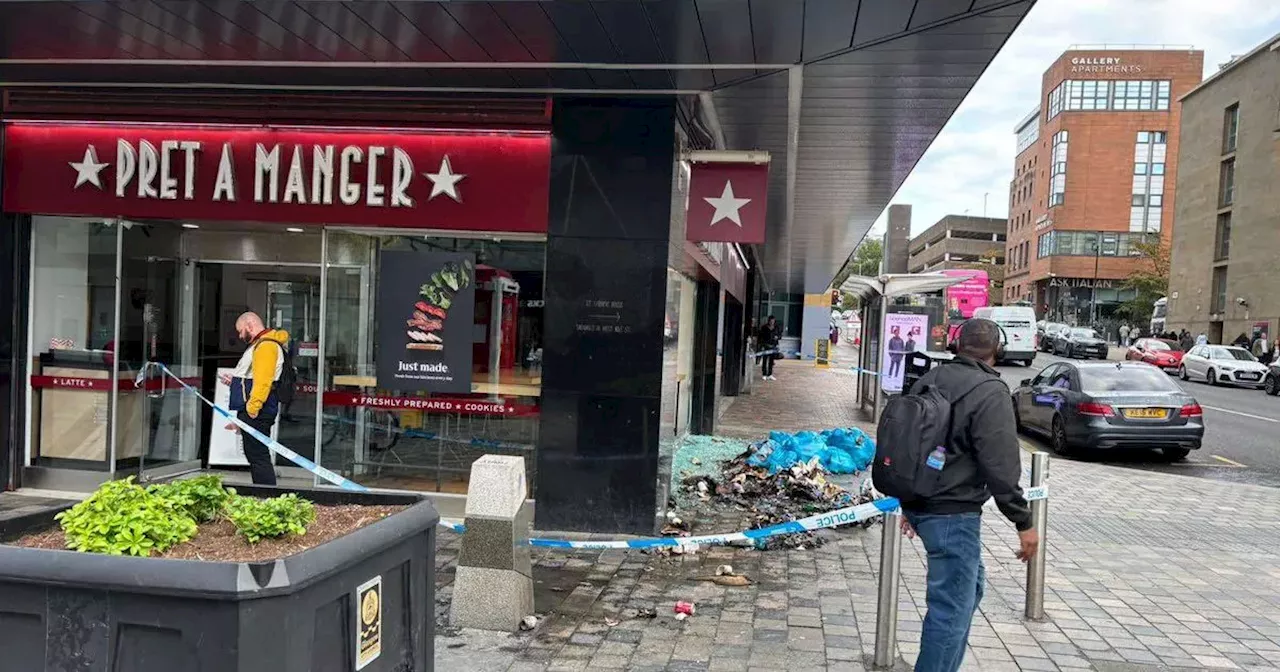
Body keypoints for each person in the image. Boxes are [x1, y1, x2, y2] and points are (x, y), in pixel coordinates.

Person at [900, 318, 1038, 672]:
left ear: (956, 347)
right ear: (998, 350)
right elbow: (1001, 464)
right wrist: (1023, 520)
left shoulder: (930, 379)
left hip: (924, 504)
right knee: (950, 611)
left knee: (969, 589)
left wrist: (908, 502)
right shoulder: (990, 391)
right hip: (952, 515)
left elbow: (908, 446)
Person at [222, 311, 290, 485]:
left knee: (257, 455)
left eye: (240, 330)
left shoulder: (265, 346)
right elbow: (256, 377)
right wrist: (235, 381)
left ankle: (266, 495)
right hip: (256, 407)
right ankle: (264, 494)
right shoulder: (261, 345)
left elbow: (263, 382)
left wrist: (252, 409)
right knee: (255, 453)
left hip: (257, 410)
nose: (239, 335)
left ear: (250, 325)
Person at [757, 315, 781, 381]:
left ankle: (770, 374)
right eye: (771, 321)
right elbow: (760, 337)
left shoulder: (776, 327)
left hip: (773, 346)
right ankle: (764, 374)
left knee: (771, 361)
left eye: (773, 321)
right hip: (766, 346)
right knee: (765, 360)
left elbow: (780, 335)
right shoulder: (764, 327)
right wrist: (761, 345)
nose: (772, 322)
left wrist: (777, 337)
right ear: (769, 321)